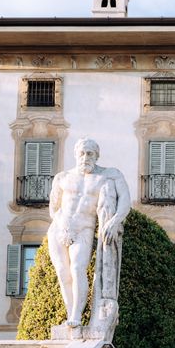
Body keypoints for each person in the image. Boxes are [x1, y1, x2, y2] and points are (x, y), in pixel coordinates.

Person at [47, 138, 130, 329]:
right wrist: (61, 222)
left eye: (90, 153)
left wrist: (114, 221)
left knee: (77, 269)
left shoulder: (108, 176)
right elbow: (54, 207)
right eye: (82, 153)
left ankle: (76, 314)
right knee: (62, 272)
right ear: (76, 155)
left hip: (84, 228)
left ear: (96, 156)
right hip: (59, 229)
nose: (85, 157)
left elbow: (125, 201)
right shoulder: (62, 177)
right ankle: (70, 314)